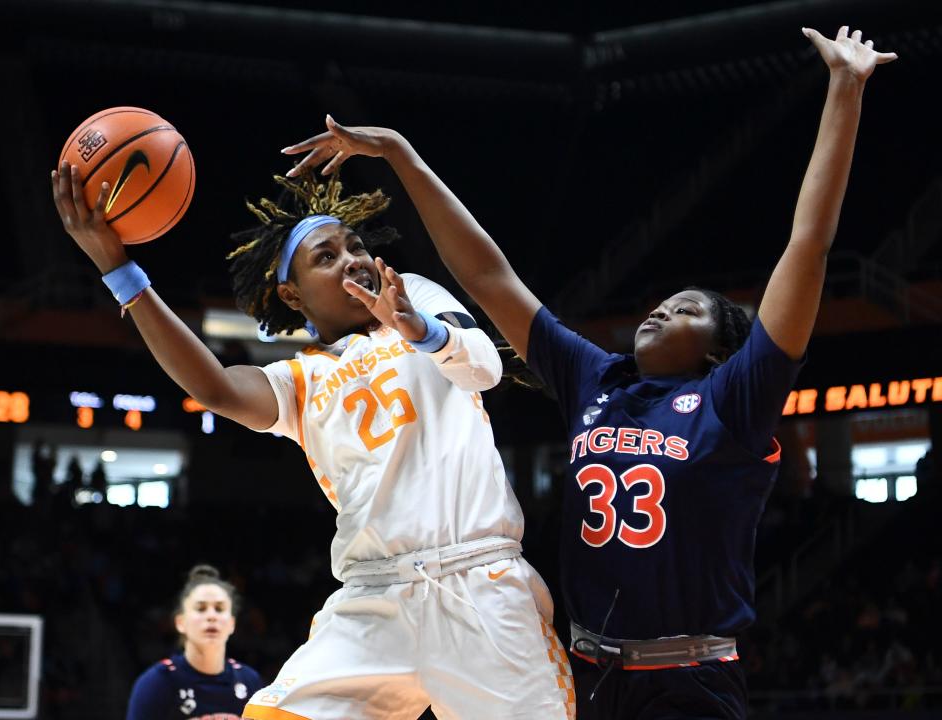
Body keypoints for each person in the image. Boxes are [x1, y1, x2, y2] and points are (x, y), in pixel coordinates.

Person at [282, 25, 896, 719]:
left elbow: (808, 245)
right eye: (664, 301)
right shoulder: (595, 379)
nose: (663, 309)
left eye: (687, 309)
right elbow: (487, 276)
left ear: (720, 353)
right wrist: (400, 154)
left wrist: (844, 90)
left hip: (690, 677)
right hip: (594, 672)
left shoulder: (735, 398)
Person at [51, 155, 574, 718]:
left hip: (481, 588)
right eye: (326, 257)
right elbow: (217, 390)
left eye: (354, 246)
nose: (352, 260)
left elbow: (483, 369)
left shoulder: (413, 296)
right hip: (375, 603)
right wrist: (118, 268)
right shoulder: (298, 380)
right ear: (293, 296)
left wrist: (417, 328)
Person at [126, 564, 263, 719]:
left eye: (219, 608)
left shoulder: (250, 680)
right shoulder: (155, 682)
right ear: (180, 623)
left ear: (232, 624)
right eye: (200, 608)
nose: (212, 616)